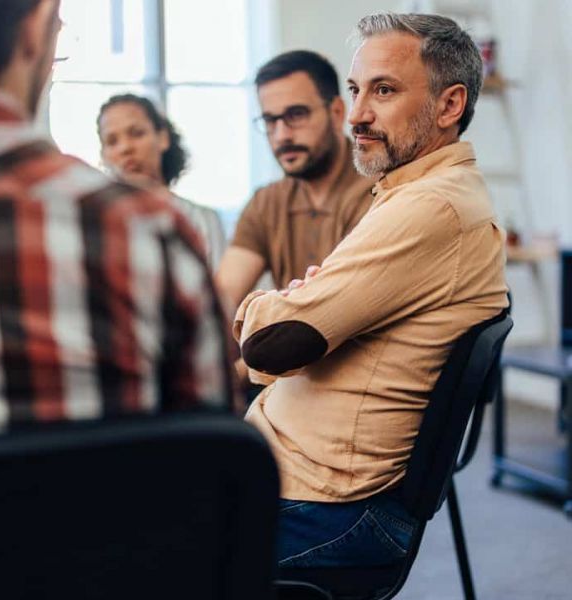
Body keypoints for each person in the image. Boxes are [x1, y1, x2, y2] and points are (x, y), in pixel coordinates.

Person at [233, 13, 509, 568]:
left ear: (449, 106)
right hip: (305, 484)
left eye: (383, 91)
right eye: (357, 90)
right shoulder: (418, 191)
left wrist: (263, 309)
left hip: (330, 510)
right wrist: (298, 308)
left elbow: (273, 343)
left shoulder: (429, 207)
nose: (357, 115)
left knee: (112, 543)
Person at [0, 0, 233, 434]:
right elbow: (210, 454)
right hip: (107, 500)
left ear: (162, 138)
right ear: (36, 30)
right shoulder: (152, 230)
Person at [216, 50, 374, 309]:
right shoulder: (266, 203)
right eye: (270, 120)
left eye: (296, 115)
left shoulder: (383, 191)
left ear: (336, 113)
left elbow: (347, 310)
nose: (281, 136)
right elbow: (222, 301)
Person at [97, 93, 227, 270]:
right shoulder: (97, 226)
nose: (125, 148)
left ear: (163, 138)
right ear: (104, 155)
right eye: (112, 141)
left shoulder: (202, 220)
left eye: (136, 133)